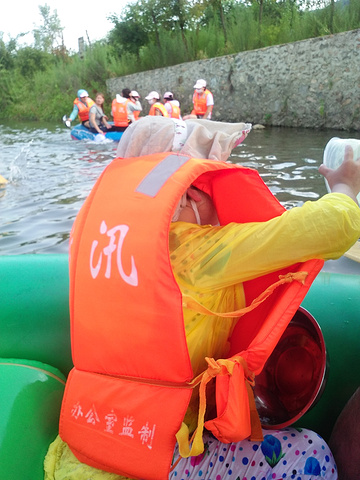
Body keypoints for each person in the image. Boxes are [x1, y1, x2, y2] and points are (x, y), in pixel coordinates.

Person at [44, 117, 360, 480]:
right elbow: (336, 226)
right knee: (310, 454)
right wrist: (344, 187)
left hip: (78, 451)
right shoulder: (195, 254)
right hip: (156, 460)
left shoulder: (92, 244)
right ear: (190, 193)